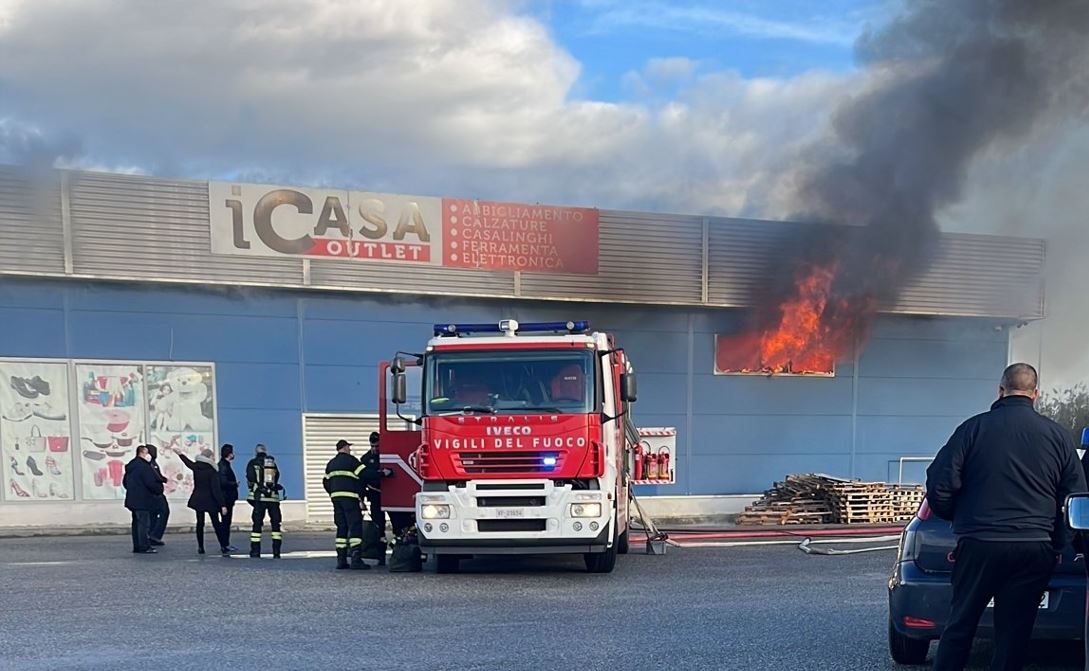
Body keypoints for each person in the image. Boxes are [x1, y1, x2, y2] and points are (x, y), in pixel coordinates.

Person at [926, 363, 1087, 671]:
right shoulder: (1058, 436)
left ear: (1000, 391)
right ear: (1036, 394)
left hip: (979, 543)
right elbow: (1075, 498)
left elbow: (939, 483)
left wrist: (956, 518)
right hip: (1033, 547)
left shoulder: (972, 429)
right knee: (1013, 636)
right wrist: (1057, 542)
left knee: (959, 627)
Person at [174, 446, 230, 555]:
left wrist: (180, 454)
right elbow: (216, 489)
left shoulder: (196, 466)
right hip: (210, 500)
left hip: (198, 499)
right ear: (209, 457)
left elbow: (188, 463)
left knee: (200, 523)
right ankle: (223, 545)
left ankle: (200, 547)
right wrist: (222, 505)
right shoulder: (212, 470)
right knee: (216, 523)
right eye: (213, 457)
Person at [323, 439, 368, 570]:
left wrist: (333, 493)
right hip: (350, 499)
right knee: (355, 526)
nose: (350, 449)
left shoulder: (331, 463)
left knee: (341, 527)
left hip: (336, 500)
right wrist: (382, 474)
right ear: (344, 447)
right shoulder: (351, 461)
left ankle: (341, 560)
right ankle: (356, 560)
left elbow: (325, 482)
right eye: (348, 447)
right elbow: (365, 474)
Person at [360, 431, 394, 565]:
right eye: (372, 446)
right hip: (375, 495)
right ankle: (381, 556)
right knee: (378, 527)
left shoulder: (390, 455)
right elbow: (362, 479)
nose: (374, 449)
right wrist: (361, 499)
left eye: (377, 446)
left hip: (391, 495)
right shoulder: (365, 459)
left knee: (398, 525)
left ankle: (399, 552)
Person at [123, 445, 164, 554]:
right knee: (143, 524)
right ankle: (144, 546)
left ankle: (137, 546)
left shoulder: (131, 466)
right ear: (142, 453)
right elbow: (151, 483)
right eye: (147, 453)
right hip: (143, 499)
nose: (149, 455)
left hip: (133, 499)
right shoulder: (144, 467)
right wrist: (159, 490)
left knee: (136, 523)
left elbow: (125, 482)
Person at [245, 443, 284, 558]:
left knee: (257, 525)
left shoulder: (252, 463)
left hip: (259, 498)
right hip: (273, 498)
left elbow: (250, 478)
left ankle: (255, 551)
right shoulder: (272, 464)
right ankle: (276, 552)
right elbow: (277, 476)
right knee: (276, 525)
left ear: (256, 452)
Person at [146, 444, 170, 547]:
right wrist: (162, 479)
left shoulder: (151, 463)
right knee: (164, 512)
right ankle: (155, 535)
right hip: (156, 493)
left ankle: (151, 535)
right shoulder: (150, 464)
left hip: (153, 494)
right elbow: (155, 476)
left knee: (153, 515)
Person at [218, 443, 239, 552]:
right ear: (229, 454)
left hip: (228, 498)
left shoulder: (225, 465)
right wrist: (234, 484)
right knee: (225, 522)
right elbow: (223, 482)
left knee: (226, 522)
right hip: (226, 498)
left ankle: (225, 543)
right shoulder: (223, 466)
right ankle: (224, 544)